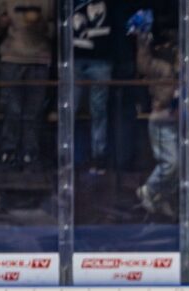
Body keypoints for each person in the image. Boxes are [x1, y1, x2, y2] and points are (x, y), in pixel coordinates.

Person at [0, 0, 55, 168]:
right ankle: (9, 152)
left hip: (39, 58)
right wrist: (3, 22)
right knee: (11, 109)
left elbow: (55, 30)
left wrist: (40, 24)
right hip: (11, 58)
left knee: (34, 111)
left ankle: (30, 153)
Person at [129, 10, 178, 218]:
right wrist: (142, 40)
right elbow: (144, 65)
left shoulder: (184, 66)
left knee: (180, 167)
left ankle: (161, 197)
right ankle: (148, 190)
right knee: (170, 163)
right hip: (161, 118)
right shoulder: (160, 65)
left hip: (179, 119)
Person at [72, 0, 114, 175]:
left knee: (98, 109)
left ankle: (98, 156)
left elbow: (113, 29)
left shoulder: (109, 6)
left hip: (101, 60)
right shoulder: (74, 5)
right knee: (69, 108)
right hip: (74, 59)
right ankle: (68, 156)